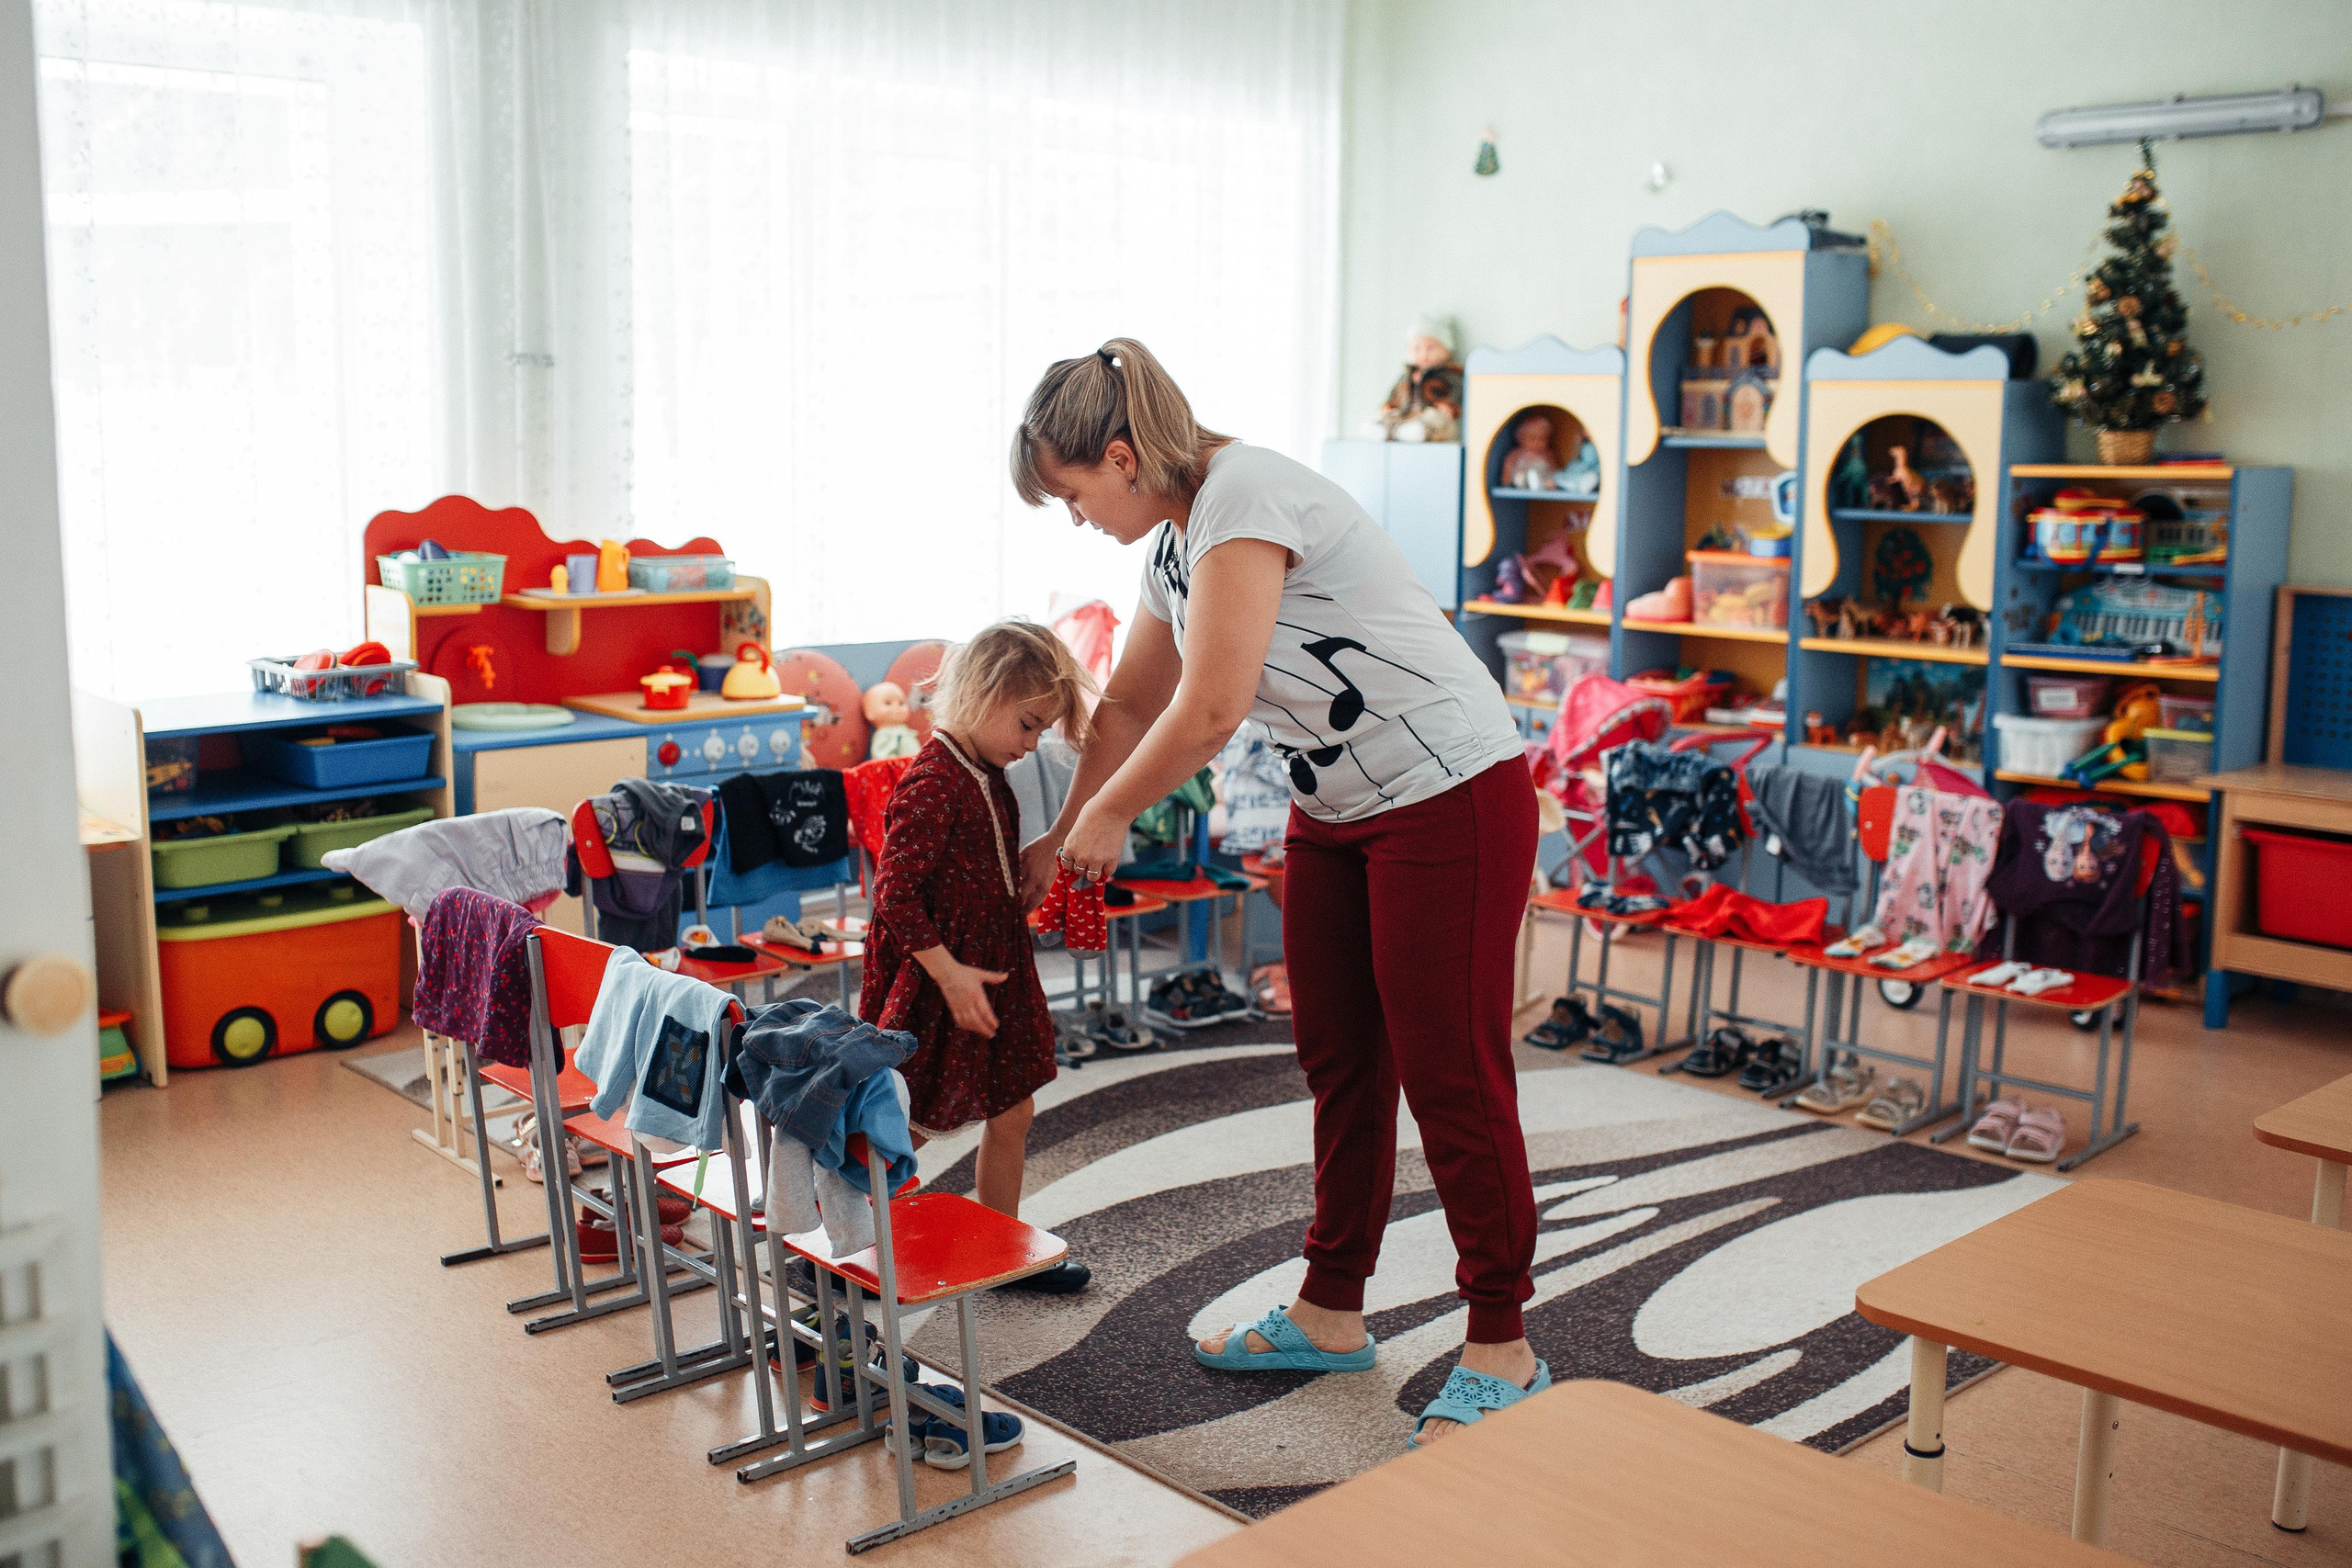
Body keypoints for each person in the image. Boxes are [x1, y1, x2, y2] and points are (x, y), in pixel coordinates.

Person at [1009, 338, 1544, 1443]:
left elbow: (1209, 709)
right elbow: (1123, 710)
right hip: (1339, 809)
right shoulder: (1170, 548)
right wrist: (1061, 833)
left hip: (1451, 791)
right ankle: (1331, 1308)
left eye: (1073, 497)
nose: (1076, 519)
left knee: (1450, 1066)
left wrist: (1113, 820)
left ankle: (1503, 1340)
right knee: (1341, 1059)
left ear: (1119, 454)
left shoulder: (1245, 494)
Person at [858, 619, 1098, 1292]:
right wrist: (949, 973)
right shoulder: (934, 781)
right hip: (941, 978)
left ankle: (998, 1248)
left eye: (1042, 729)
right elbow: (895, 895)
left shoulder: (987, 769)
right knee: (905, 1120)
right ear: (982, 696)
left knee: (1012, 1109)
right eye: (1028, 725)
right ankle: (838, 1241)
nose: (1033, 743)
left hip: (993, 965)